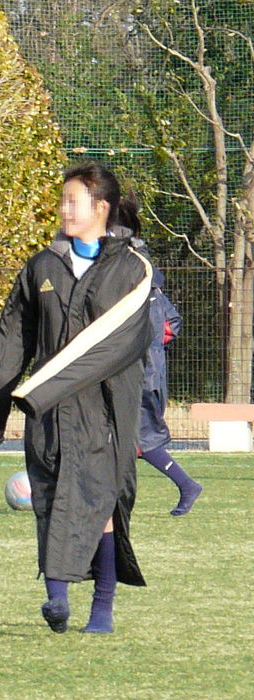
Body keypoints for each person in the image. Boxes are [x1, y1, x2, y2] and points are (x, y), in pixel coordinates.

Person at [0, 162, 153, 635]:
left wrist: (44, 387)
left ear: (101, 208)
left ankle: (102, 607)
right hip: (49, 415)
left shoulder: (132, 268)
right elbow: (12, 338)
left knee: (101, 510)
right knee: (51, 501)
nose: (63, 210)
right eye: (61, 201)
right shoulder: (41, 266)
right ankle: (56, 600)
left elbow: (124, 345)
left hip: (103, 414)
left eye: (72, 202)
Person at [119, 199, 202, 516]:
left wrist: (148, 353)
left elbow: (164, 327)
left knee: (138, 440)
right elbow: (172, 324)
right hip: (139, 372)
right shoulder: (150, 287)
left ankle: (187, 485)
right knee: (120, 441)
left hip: (139, 376)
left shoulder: (136, 287)